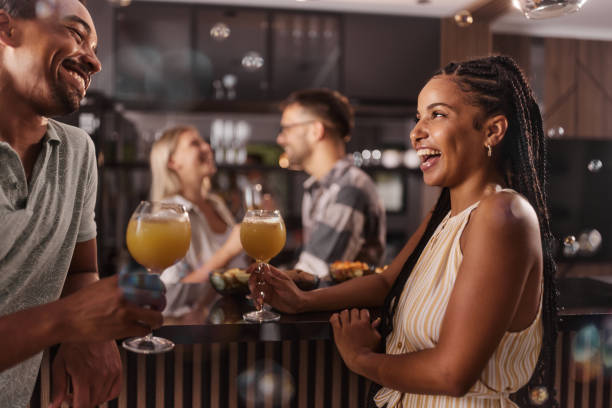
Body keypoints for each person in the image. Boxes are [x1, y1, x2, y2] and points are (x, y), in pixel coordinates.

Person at [252, 56, 558, 407]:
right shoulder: (446, 216)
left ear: (492, 130)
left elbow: (451, 374)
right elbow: (387, 283)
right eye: (418, 117)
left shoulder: (503, 215)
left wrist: (362, 359)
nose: (416, 132)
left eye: (437, 114)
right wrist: (304, 299)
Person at [0, 1, 165, 407]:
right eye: (76, 33)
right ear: (7, 28)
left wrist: (88, 333)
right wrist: (68, 321)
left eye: (96, 46)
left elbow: (81, 268)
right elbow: (69, 311)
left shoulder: (77, 151)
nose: (95, 62)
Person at [277, 89, 386, 278]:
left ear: (315, 131)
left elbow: (314, 273)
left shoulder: (349, 188)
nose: (280, 138)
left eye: (287, 128)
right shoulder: (318, 187)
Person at [148, 125, 247, 286]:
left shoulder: (215, 203)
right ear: (172, 161)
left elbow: (237, 264)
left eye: (204, 142)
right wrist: (228, 252)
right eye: (195, 143)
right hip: (202, 311)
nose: (207, 147)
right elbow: (171, 291)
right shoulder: (168, 215)